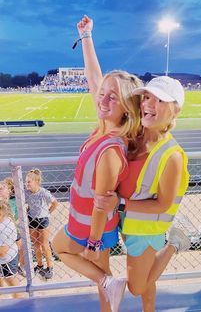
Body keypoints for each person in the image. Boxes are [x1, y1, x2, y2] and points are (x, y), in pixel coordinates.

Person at [76, 15, 190, 312]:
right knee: (139, 281)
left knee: (138, 286)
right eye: (146, 98)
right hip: (124, 223)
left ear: (174, 110)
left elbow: (163, 205)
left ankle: (176, 244)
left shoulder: (172, 155)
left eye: (159, 101)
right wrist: (87, 37)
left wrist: (120, 203)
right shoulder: (134, 134)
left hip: (146, 228)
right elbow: (96, 85)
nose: (149, 105)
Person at [52, 16, 143, 312]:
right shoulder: (104, 127)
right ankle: (108, 289)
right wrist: (86, 36)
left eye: (112, 97)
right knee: (103, 282)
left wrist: (92, 243)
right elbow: (95, 78)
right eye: (103, 94)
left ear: (126, 107)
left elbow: (102, 203)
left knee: (61, 249)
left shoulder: (110, 150)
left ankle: (108, 284)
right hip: (92, 222)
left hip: (90, 226)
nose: (102, 99)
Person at [25, 168, 58, 280]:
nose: (26, 184)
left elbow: (55, 203)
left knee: (44, 245)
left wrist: (48, 212)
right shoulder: (26, 193)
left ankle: (50, 267)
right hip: (32, 220)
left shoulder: (44, 192)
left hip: (43, 220)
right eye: (26, 182)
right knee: (36, 244)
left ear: (36, 182)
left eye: (29, 182)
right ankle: (39, 265)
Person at [2, 178, 26, 277]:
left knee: (21, 247)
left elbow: (18, 216)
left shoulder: (14, 202)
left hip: (13, 229)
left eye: (4, 187)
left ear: (10, 190)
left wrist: (14, 224)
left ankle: (21, 266)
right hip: (2, 231)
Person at [0, 200, 23, 298]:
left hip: (7, 260)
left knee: (12, 282)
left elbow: (2, 252)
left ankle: (20, 303)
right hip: (8, 255)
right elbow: (18, 240)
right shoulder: (6, 219)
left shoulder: (4, 228)